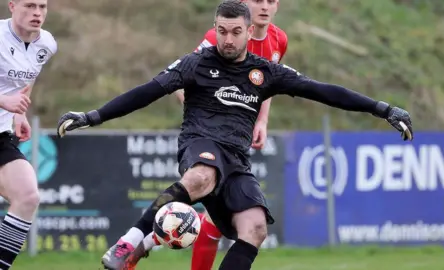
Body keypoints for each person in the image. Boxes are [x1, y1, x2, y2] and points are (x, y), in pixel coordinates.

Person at [57, 1, 413, 270]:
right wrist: (93, 116)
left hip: (237, 159)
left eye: (235, 32)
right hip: (201, 144)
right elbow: (147, 91)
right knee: (201, 176)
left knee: (255, 227)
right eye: (222, 32)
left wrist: (383, 109)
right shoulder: (196, 63)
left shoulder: (266, 71)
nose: (228, 40)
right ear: (216, 29)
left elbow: (323, 91)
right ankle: (129, 242)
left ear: (247, 32)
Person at [107, 1, 288, 269]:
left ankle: (142, 245)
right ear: (244, 3)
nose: (264, 6)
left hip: (236, 140)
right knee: (206, 199)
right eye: (257, 0)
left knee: (227, 222)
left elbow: (266, 84)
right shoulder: (219, 37)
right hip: (208, 135)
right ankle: (136, 243)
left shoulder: (278, 40)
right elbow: (183, 77)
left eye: (270, 0)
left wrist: (261, 120)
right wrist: (207, 120)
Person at [0, 0, 56, 269]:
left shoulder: (46, 43)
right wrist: (3, 101)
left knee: (28, 196)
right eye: (29, 5)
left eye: (43, 6)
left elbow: (26, 76)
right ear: (11, 5)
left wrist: (19, 112)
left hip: (1, 135)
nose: (37, 13)